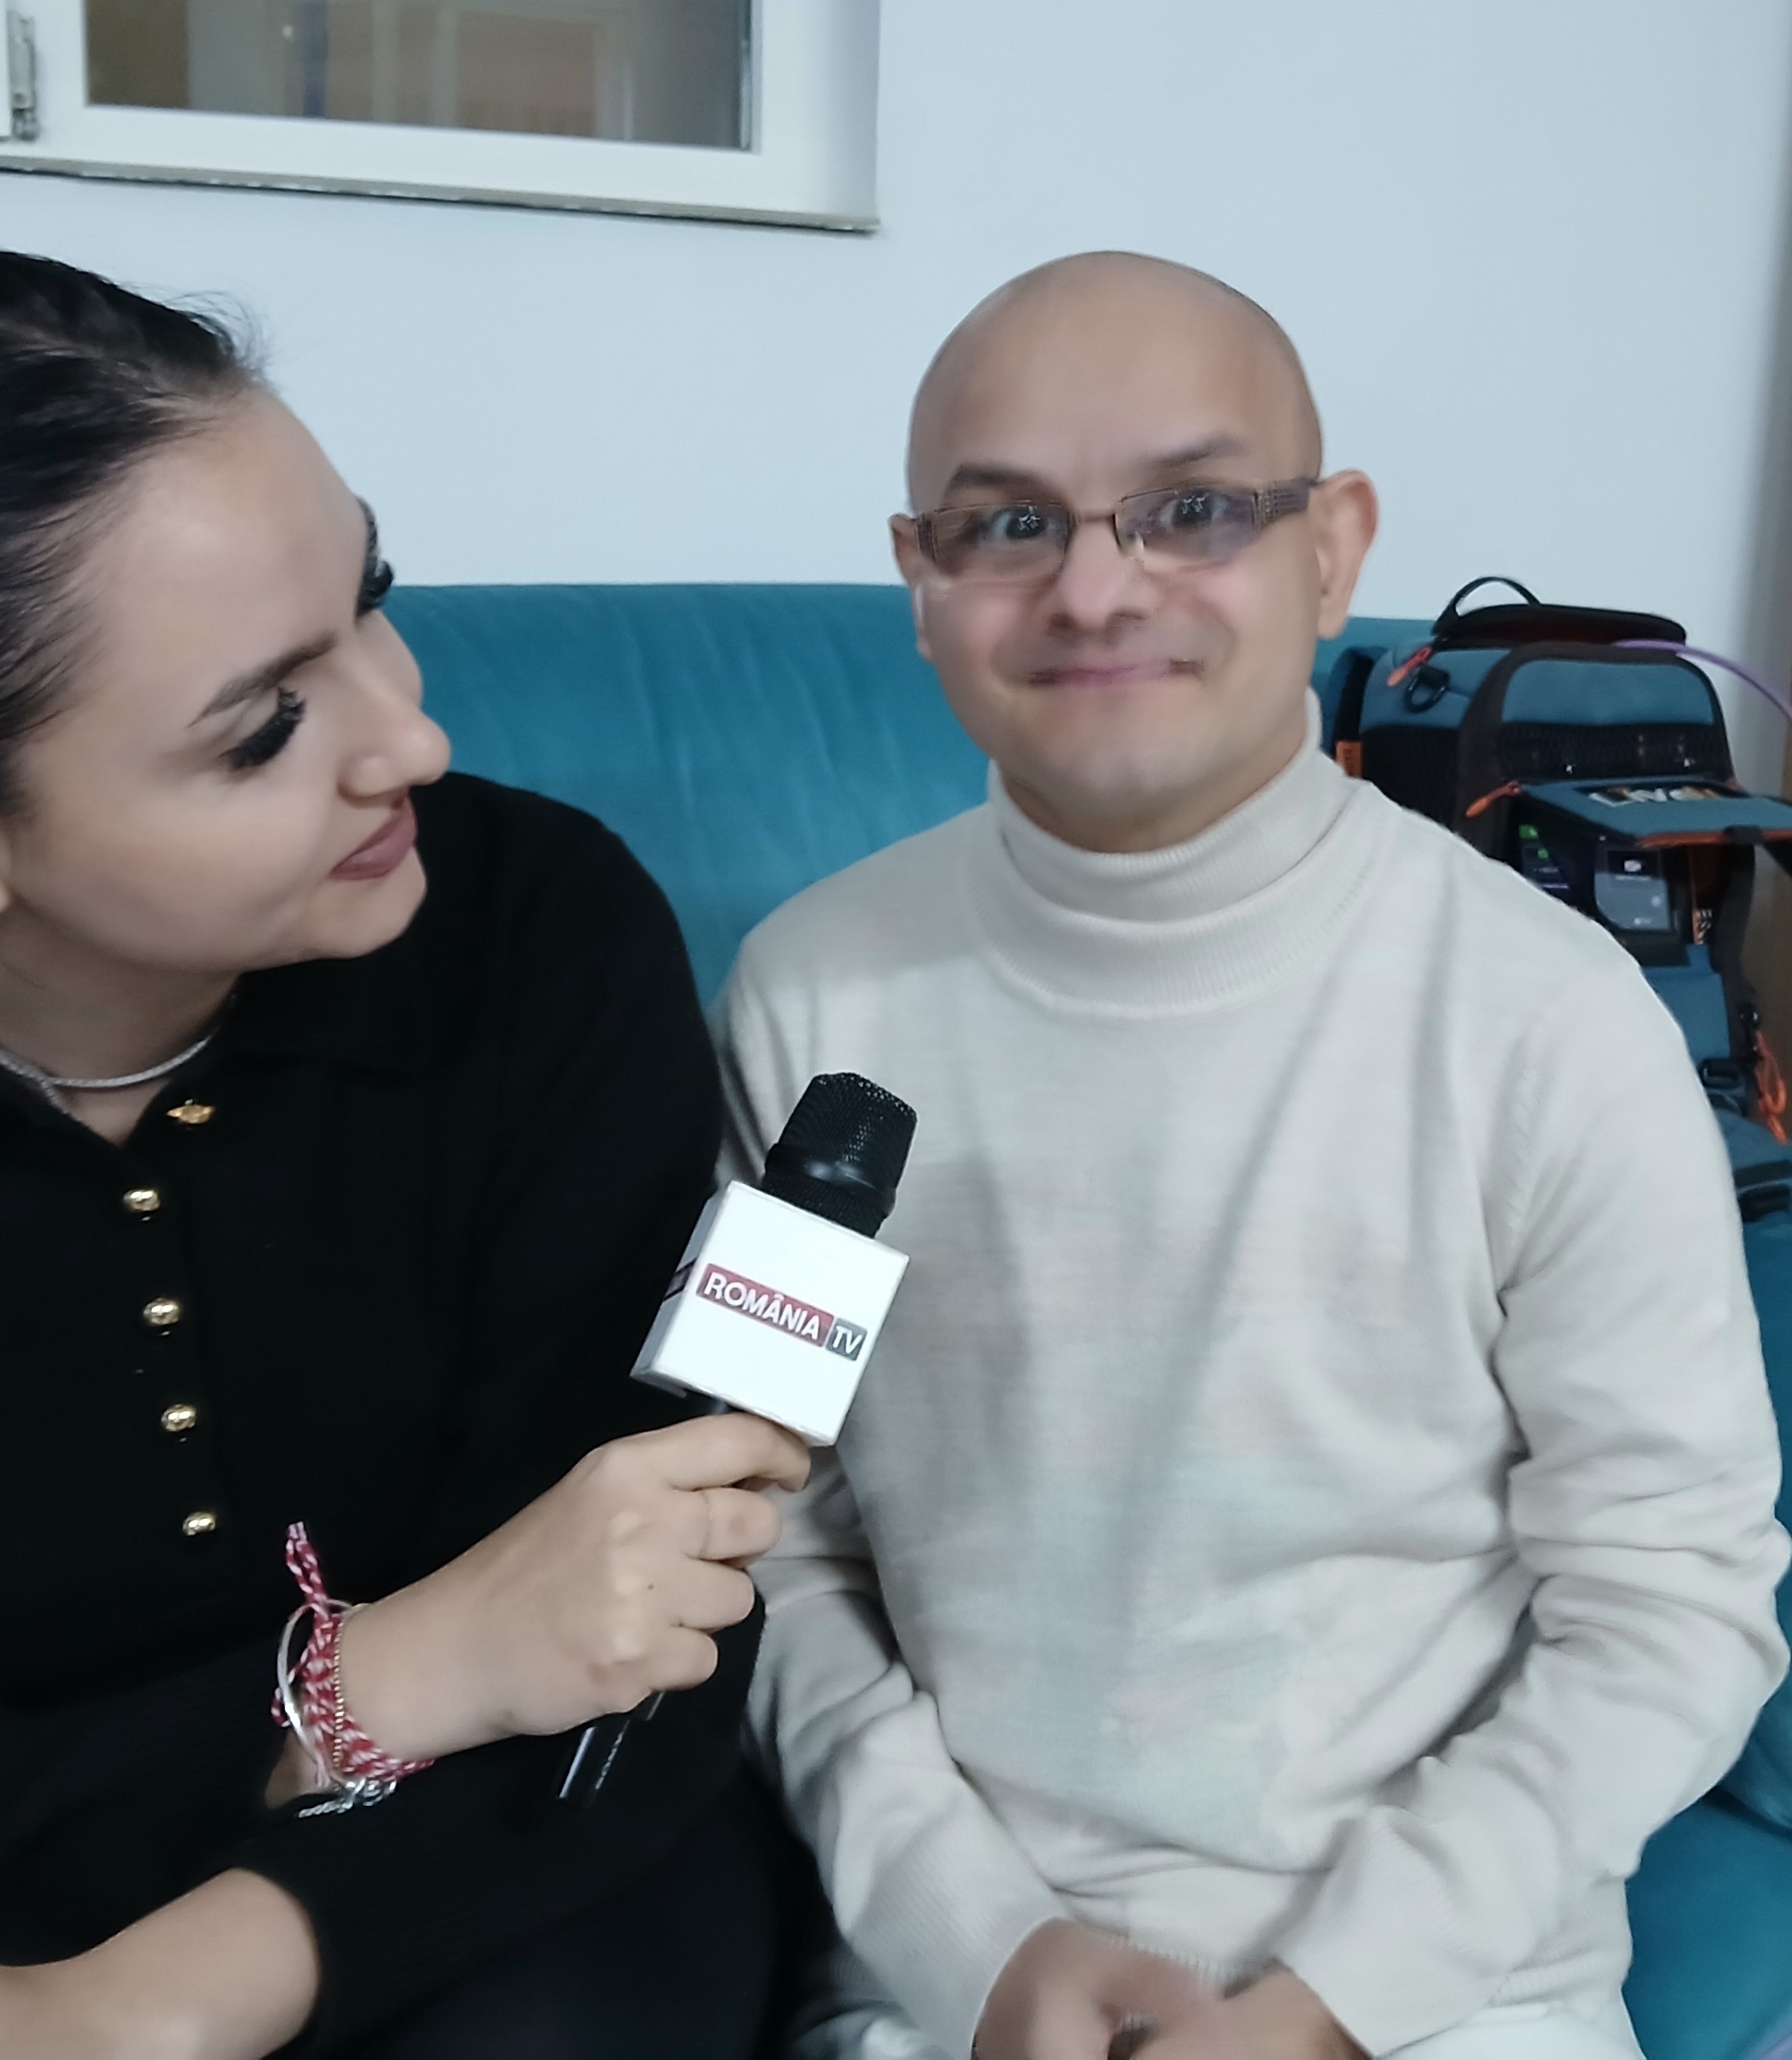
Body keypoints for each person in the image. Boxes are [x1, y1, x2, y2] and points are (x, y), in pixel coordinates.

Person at [0, 250, 810, 2060]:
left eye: (372, 600)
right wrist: (393, 1668)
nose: (410, 736)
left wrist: (137, 2008)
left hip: (503, 1879)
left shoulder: (533, 930)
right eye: (264, 728)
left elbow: (636, 1651)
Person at [721, 252, 1790, 2060]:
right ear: (919, 578)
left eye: (1194, 508)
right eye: (1006, 524)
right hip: (959, 1991)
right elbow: (766, 1546)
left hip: (1458, 1999)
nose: (1093, 588)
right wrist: (976, 1945)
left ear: (1332, 548)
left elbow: (1669, 1598)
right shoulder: (806, 996)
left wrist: (1333, 2003)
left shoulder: (1544, 1015)